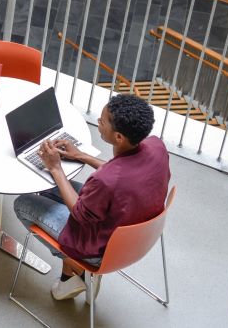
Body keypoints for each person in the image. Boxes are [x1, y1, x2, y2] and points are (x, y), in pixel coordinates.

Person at [12, 94, 170, 301]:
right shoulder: (156, 147)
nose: (99, 123)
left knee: (22, 202)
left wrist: (55, 167)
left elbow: (80, 214)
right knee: (47, 188)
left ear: (119, 137)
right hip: (136, 237)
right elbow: (125, 173)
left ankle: (76, 267)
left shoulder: (106, 181)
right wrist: (80, 155)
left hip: (100, 248)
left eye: (102, 122)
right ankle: (76, 274)